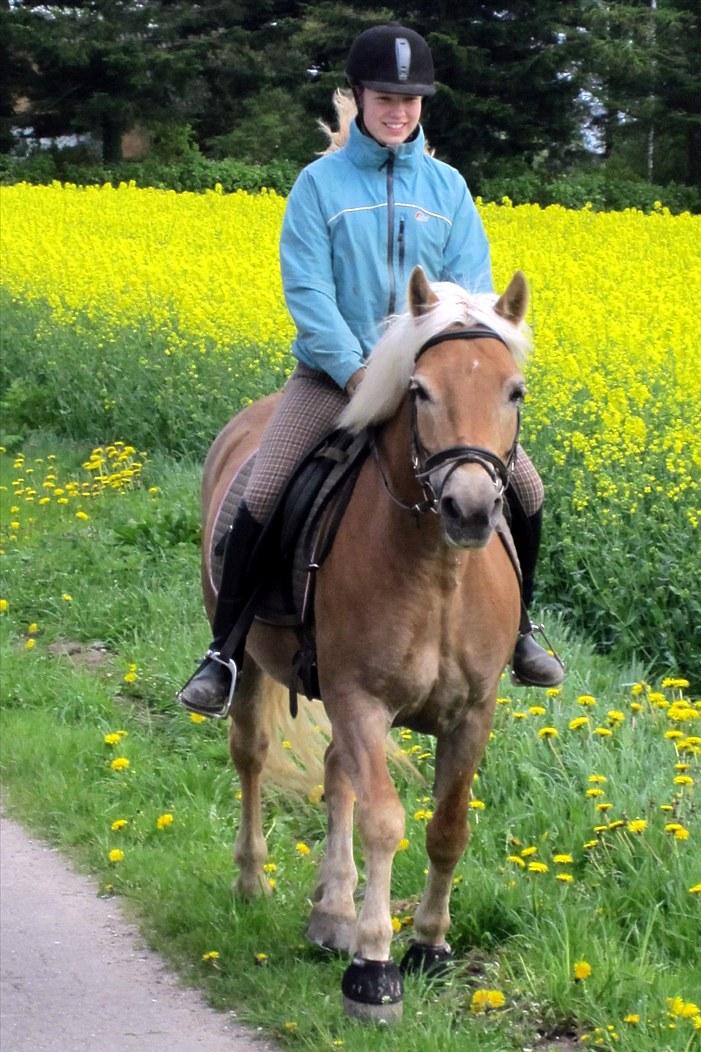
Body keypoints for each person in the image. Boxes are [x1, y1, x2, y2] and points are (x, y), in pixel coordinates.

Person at [178, 23, 564, 717]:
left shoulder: (447, 189)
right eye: (387, 97)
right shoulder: (319, 186)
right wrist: (358, 372)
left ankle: (524, 632)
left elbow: (471, 294)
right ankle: (226, 649)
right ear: (359, 98)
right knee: (258, 495)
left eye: (412, 100)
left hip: (434, 392)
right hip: (335, 382)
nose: (400, 110)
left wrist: (449, 373)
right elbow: (309, 296)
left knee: (526, 490)